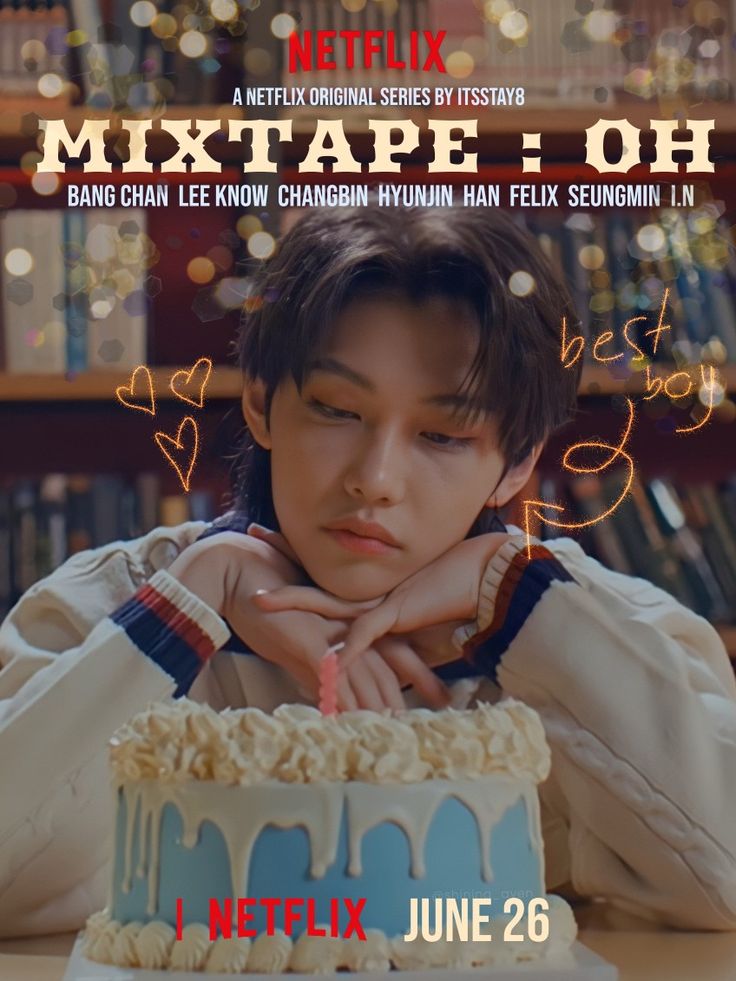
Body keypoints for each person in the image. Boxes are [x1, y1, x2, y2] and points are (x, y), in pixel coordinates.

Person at [1, 206, 735, 939]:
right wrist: (195, 598)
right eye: (335, 409)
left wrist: (520, 608)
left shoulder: (608, 631)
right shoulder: (106, 605)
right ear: (261, 402)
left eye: (443, 434)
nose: (375, 479)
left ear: (515, 462)